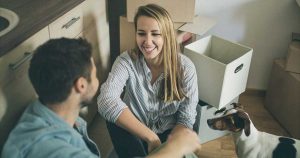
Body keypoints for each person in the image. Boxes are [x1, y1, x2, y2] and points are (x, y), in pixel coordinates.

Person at [1, 38, 200, 158]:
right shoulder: (53, 149)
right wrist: (176, 148)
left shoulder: (41, 112)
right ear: (81, 85)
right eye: (95, 74)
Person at [97, 4, 199, 158]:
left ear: (167, 36)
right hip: (135, 131)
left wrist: (172, 147)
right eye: (141, 33)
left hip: (169, 134)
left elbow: (186, 118)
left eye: (155, 34)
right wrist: (151, 138)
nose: (147, 41)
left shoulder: (186, 68)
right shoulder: (126, 61)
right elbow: (105, 100)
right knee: (112, 118)